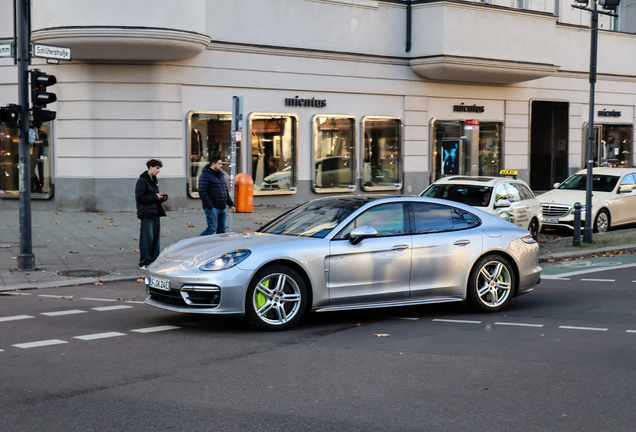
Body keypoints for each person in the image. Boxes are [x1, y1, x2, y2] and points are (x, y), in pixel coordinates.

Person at [135, 159, 168, 269]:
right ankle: (144, 262)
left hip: (155, 212)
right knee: (147, 239)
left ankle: (153, 261)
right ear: (151, 167)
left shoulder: (153, 180)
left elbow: (152, 197)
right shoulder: (142, 181)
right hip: (146, 213)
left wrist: (160, 198)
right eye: (157, 168)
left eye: (159, 168)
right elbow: (140, 198)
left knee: (155, 239)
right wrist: (155, 197)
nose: (158, 171)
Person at [199, 156, 235, 236]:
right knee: (212, 228)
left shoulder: (220, 175)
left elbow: (225, 191)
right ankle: (197, 242)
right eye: (219, 164)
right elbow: (202, 192)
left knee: (222, 230)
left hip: (222, 208)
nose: (221, 165)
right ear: (213, 164)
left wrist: (231, 204)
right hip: (212, 208)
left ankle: (219, 246)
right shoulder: (205, 175)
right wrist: (210, 206)